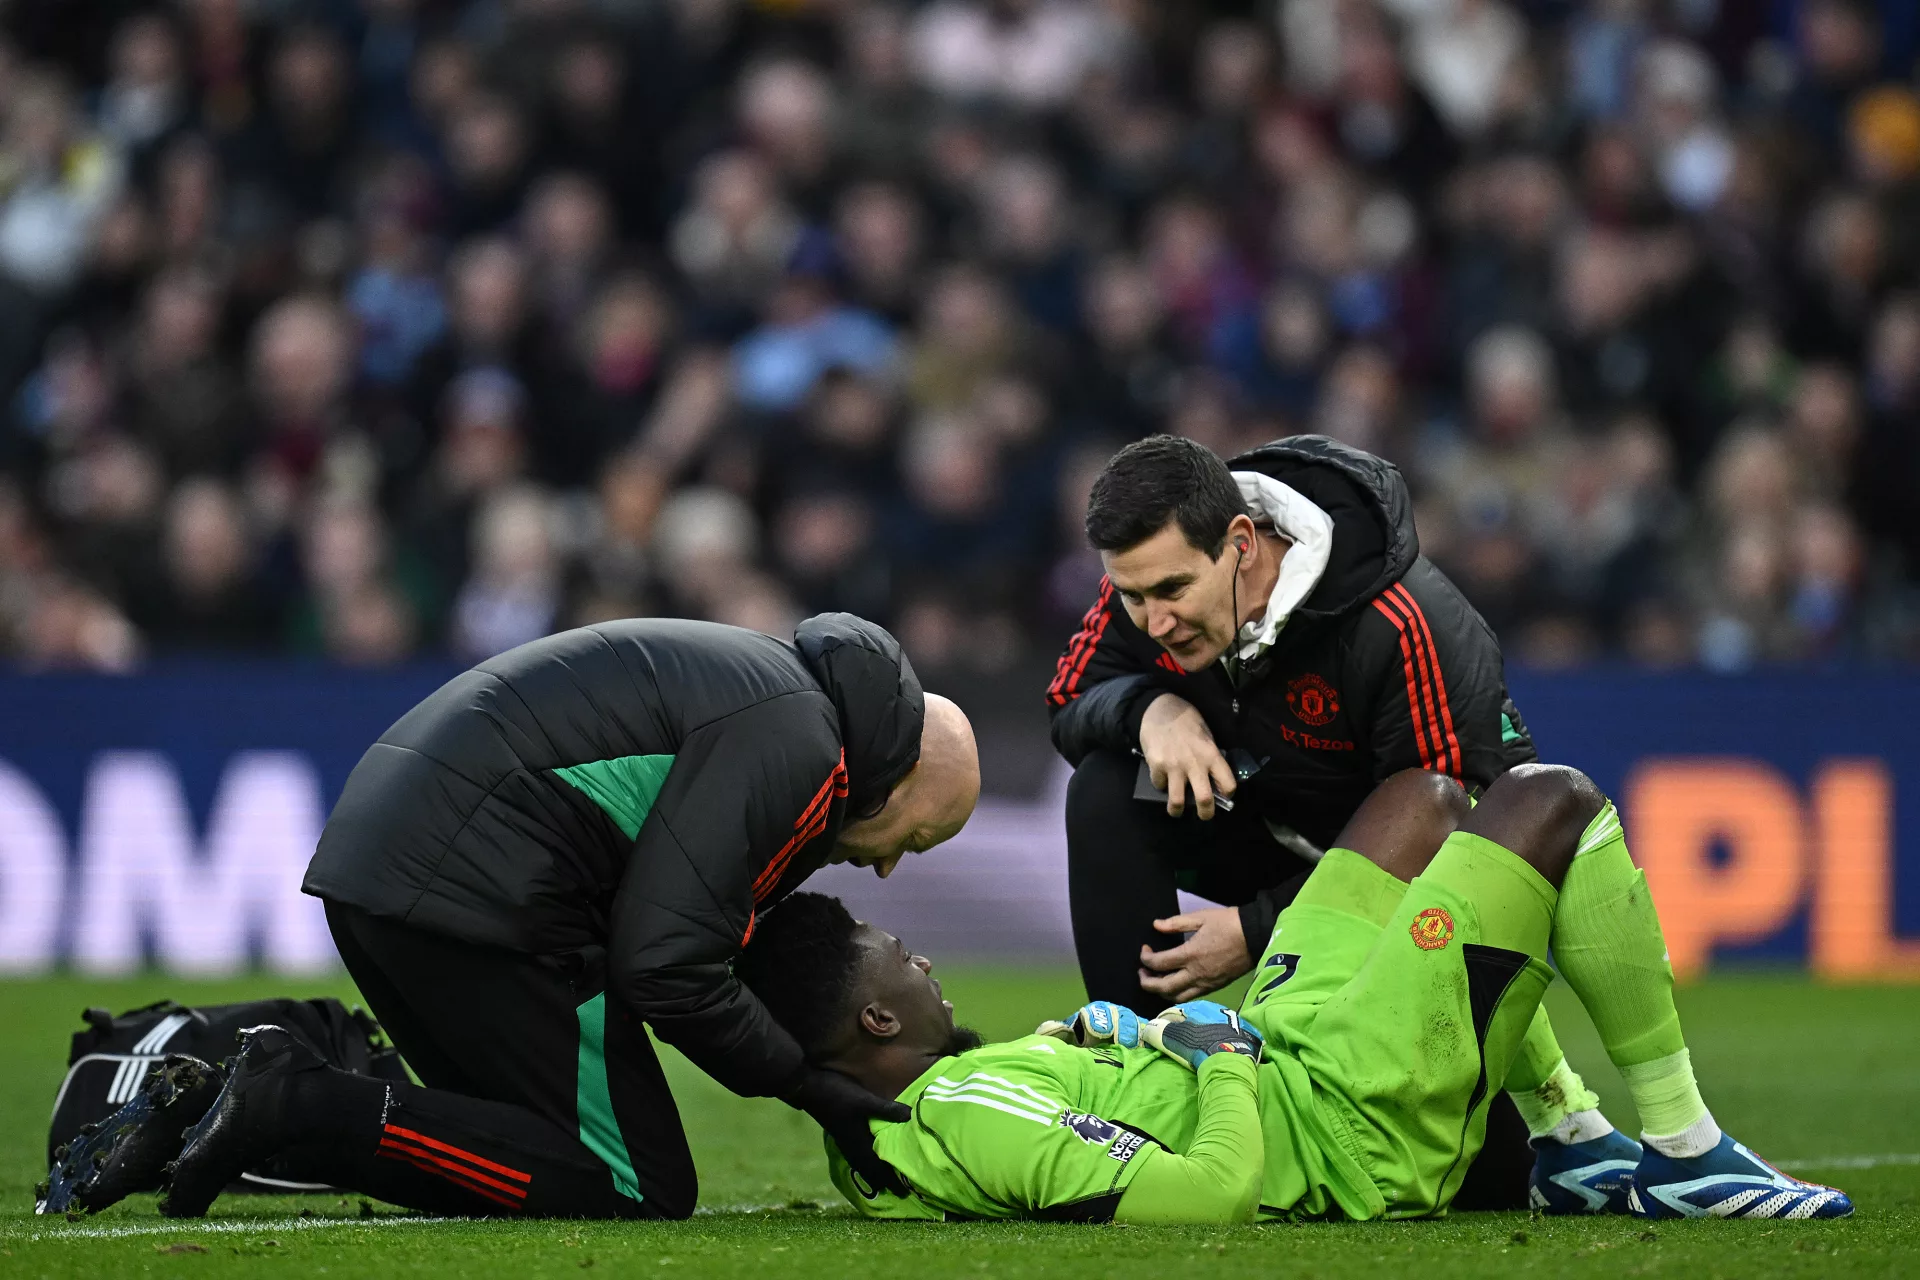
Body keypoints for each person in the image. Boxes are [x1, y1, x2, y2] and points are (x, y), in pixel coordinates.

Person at [42, 614, 980, 1221]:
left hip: (399, 869)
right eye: (915, 835)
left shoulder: (771, 691)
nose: (890, 864)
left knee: (502, 1150)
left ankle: (215, 1106)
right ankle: (295, 1093)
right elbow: (662, 966)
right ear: (894, 772)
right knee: (633, 1184)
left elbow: (669, 936)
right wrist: (816, 1091)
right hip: (477, 886)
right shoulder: (802, 745)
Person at [736, 766, 1854, 1224]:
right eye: (898, 954)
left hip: (1290, 1047)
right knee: (1552, 803)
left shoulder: (900, 1123)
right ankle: (1686, 1150)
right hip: (1346, 1111)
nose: (922, 962)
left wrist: (1097, 1038)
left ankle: (1566, 1132)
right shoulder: (966, 1111)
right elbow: (1206, 1196)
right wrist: (1216, 1055)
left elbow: (1044, 1122)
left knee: (1417, 801)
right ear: (875, 1019)